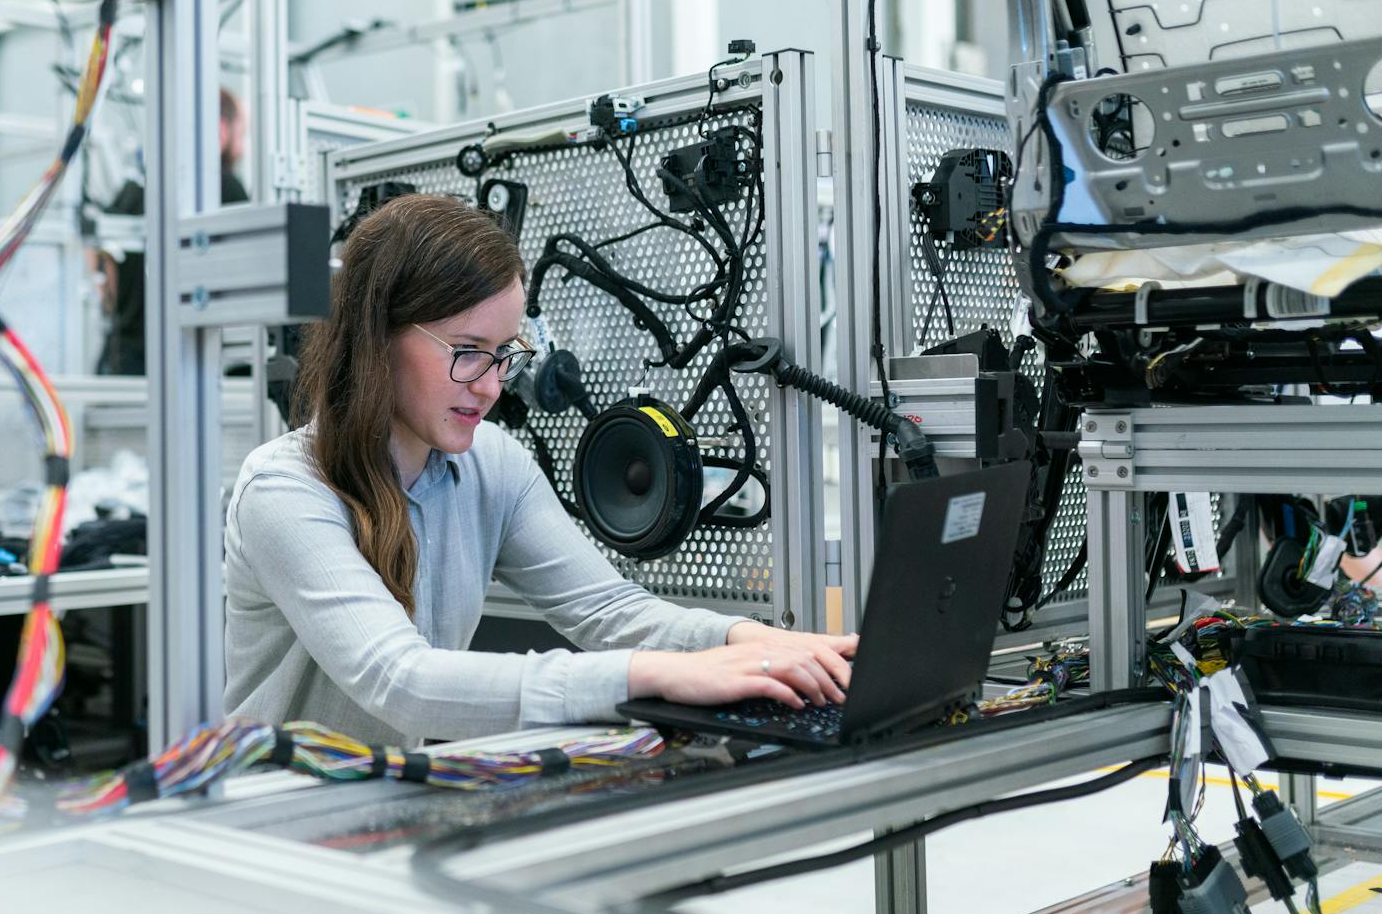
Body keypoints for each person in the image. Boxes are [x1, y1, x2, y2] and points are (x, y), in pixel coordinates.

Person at [223, 193, 857, 746]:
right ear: (377, 338)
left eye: (505, 355)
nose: (493, 386)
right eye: (468, 353)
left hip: (386, 803)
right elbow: (401, 682)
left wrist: (750, 642)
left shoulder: (491, 465)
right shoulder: (285, 490)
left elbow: (611, 611)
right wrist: (653, 675)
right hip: (278, 828)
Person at [95, 88, 249, 375]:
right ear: (220, 130)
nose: (244, 147)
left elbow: (103, 277)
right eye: (243, 134)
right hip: (187, 365)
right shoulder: (223, 186)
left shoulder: (132, 191)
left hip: (123, 364)